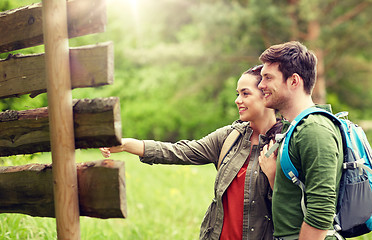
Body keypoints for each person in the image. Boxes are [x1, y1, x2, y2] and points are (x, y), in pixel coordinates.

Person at [100, 65, 282, 240]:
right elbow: (180, 151)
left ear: (265, 95)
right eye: (237, 94)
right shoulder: (230, 137)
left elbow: (297, 208)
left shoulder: (287, 143)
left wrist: (274, 177)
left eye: (245, 93)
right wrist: (126, 145)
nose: (237, 100)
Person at [258, 41, 344, 240]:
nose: (261, 85)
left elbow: (321, 211)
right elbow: (297, 198)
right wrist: (275, 177)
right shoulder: (296, 127)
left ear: (294, 81)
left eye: (268, 78)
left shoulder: (314, 130)